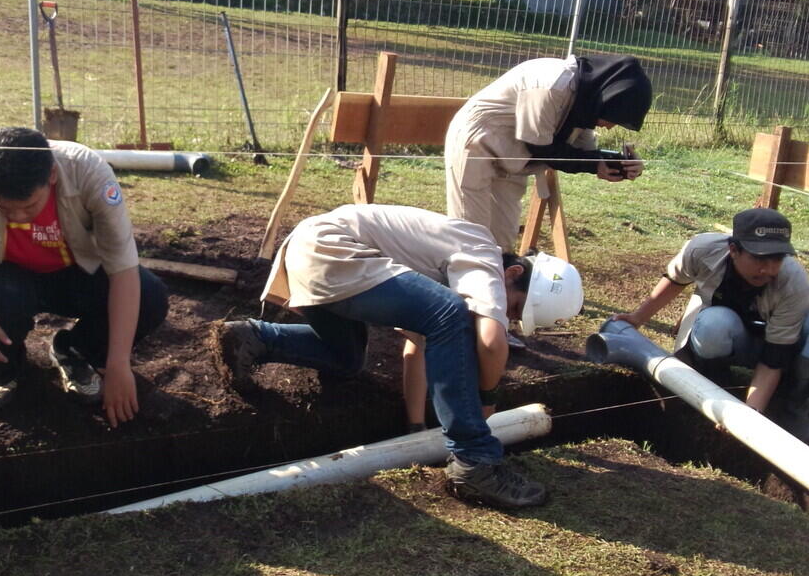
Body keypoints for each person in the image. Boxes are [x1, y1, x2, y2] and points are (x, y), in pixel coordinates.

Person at [212, 203, 582, 509]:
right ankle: (475, 463)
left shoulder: (441, 275)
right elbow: (491, 342)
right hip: (335, 249)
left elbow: (418, 350)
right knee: (451, 314)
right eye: (513, 308)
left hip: (309, 251)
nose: (506, 316)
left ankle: (255, 338)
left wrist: (416, 428)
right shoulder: (483, 252)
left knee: (347, 357)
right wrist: (484, 404)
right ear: (513, 273)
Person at [0, 127, 169, 427]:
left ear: (52, 176)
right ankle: (2, 368)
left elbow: (122, 268)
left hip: (75, 273)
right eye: (5, 208)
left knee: (150, 297)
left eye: (30, 206)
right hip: (4, 278)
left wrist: (118, 363)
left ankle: (75, 350)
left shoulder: (89, 172)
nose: (19, 217)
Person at [612, 207, 809, 444]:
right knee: (714, 322)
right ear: (733, 250)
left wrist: (750, 411)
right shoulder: (702, 250)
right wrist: (637, 318)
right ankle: (718, 390)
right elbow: (675, 280)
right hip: (728, 337)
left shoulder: (793, 282)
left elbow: (775, 357)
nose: (768, 269)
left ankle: (790, 410)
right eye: (759, 258)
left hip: (776, 347)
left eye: (777, 259)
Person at [444, 53, 653, 252]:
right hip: (476, 146)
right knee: (471, 239)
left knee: (502, 243)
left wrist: (619, 164)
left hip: (514, 159)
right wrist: (593, 163)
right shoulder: (551, 86)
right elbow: (542, 148)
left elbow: (584, 152)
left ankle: (498, 285)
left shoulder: (586, 98)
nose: (609, 127)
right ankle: (454, 287)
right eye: (613, 119)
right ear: (607, 99)